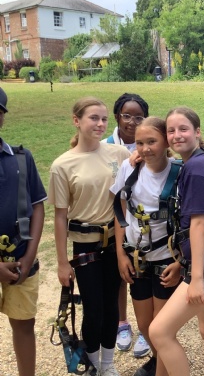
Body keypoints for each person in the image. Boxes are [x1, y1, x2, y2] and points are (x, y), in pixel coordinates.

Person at [148, 107, 204, 376]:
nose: (176, 135)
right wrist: (183, 264)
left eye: (183, 129)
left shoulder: (197, 167)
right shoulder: (199, 159)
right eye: (171, 131)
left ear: (197, 132)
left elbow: (199, 224)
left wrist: (196, 278)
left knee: (159, 331)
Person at [48, 97, 130, 376]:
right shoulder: (63, 165)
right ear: (77, 121)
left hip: (115, 241)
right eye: (93, 118)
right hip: (85, 244)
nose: (100, 124)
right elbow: (60, 216)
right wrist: (62, 263)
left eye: (104, 119)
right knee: (93, 309)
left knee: (111, 306)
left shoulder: (118, 154)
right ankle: (93, 364)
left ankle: (108, 364)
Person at [111, 116, 182, 376]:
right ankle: (159, 361)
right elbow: (121, 211)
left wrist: (181, 262)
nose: (145, 148)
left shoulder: (180, 172)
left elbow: (190, 222)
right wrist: (120, 254)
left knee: (160, 328)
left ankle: (164, 369)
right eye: (139, 143)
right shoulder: (129, 169)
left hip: (166, 257)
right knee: (144, 324)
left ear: (166, 141)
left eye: (152, 142)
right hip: (137, 257)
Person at [0, 87, 47, 376]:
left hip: (20, 259)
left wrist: (28, 258)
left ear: (3, 117)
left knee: (24, 324)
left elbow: (38, 206)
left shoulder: (20, 158)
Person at [103, 93, 151, 357]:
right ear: (117, 117)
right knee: (121, 274)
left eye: (139, 117)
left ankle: (146, 329)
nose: (132, 122)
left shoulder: (153, 146)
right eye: (126, 116)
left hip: (143, 225)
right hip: (115, 220)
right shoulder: (105, 147)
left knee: (142, 274)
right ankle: (122, 322)